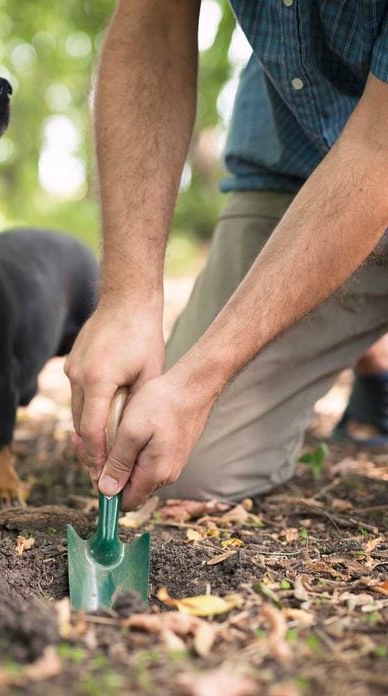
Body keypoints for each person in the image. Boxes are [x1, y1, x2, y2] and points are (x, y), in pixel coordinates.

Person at [65, 1, 388, 511]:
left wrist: (204, 376)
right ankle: (369, 351)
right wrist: (128, 299)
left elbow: (379, 147)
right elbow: (152, 25)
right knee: (176, 464)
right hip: (297, 166)